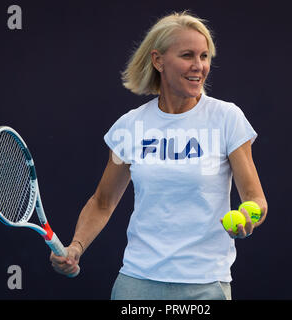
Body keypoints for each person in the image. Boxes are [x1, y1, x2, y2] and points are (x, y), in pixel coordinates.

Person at [50, 11, 268, 300]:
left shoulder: (227, 118)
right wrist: (75, 247)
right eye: (187, 55)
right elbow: (103, 201)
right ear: (158, 60)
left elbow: (256, 199)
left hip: (205, 286)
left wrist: (245, 216)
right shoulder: (131, 126)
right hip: (137, 284)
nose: (198, 66)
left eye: (204, 56)